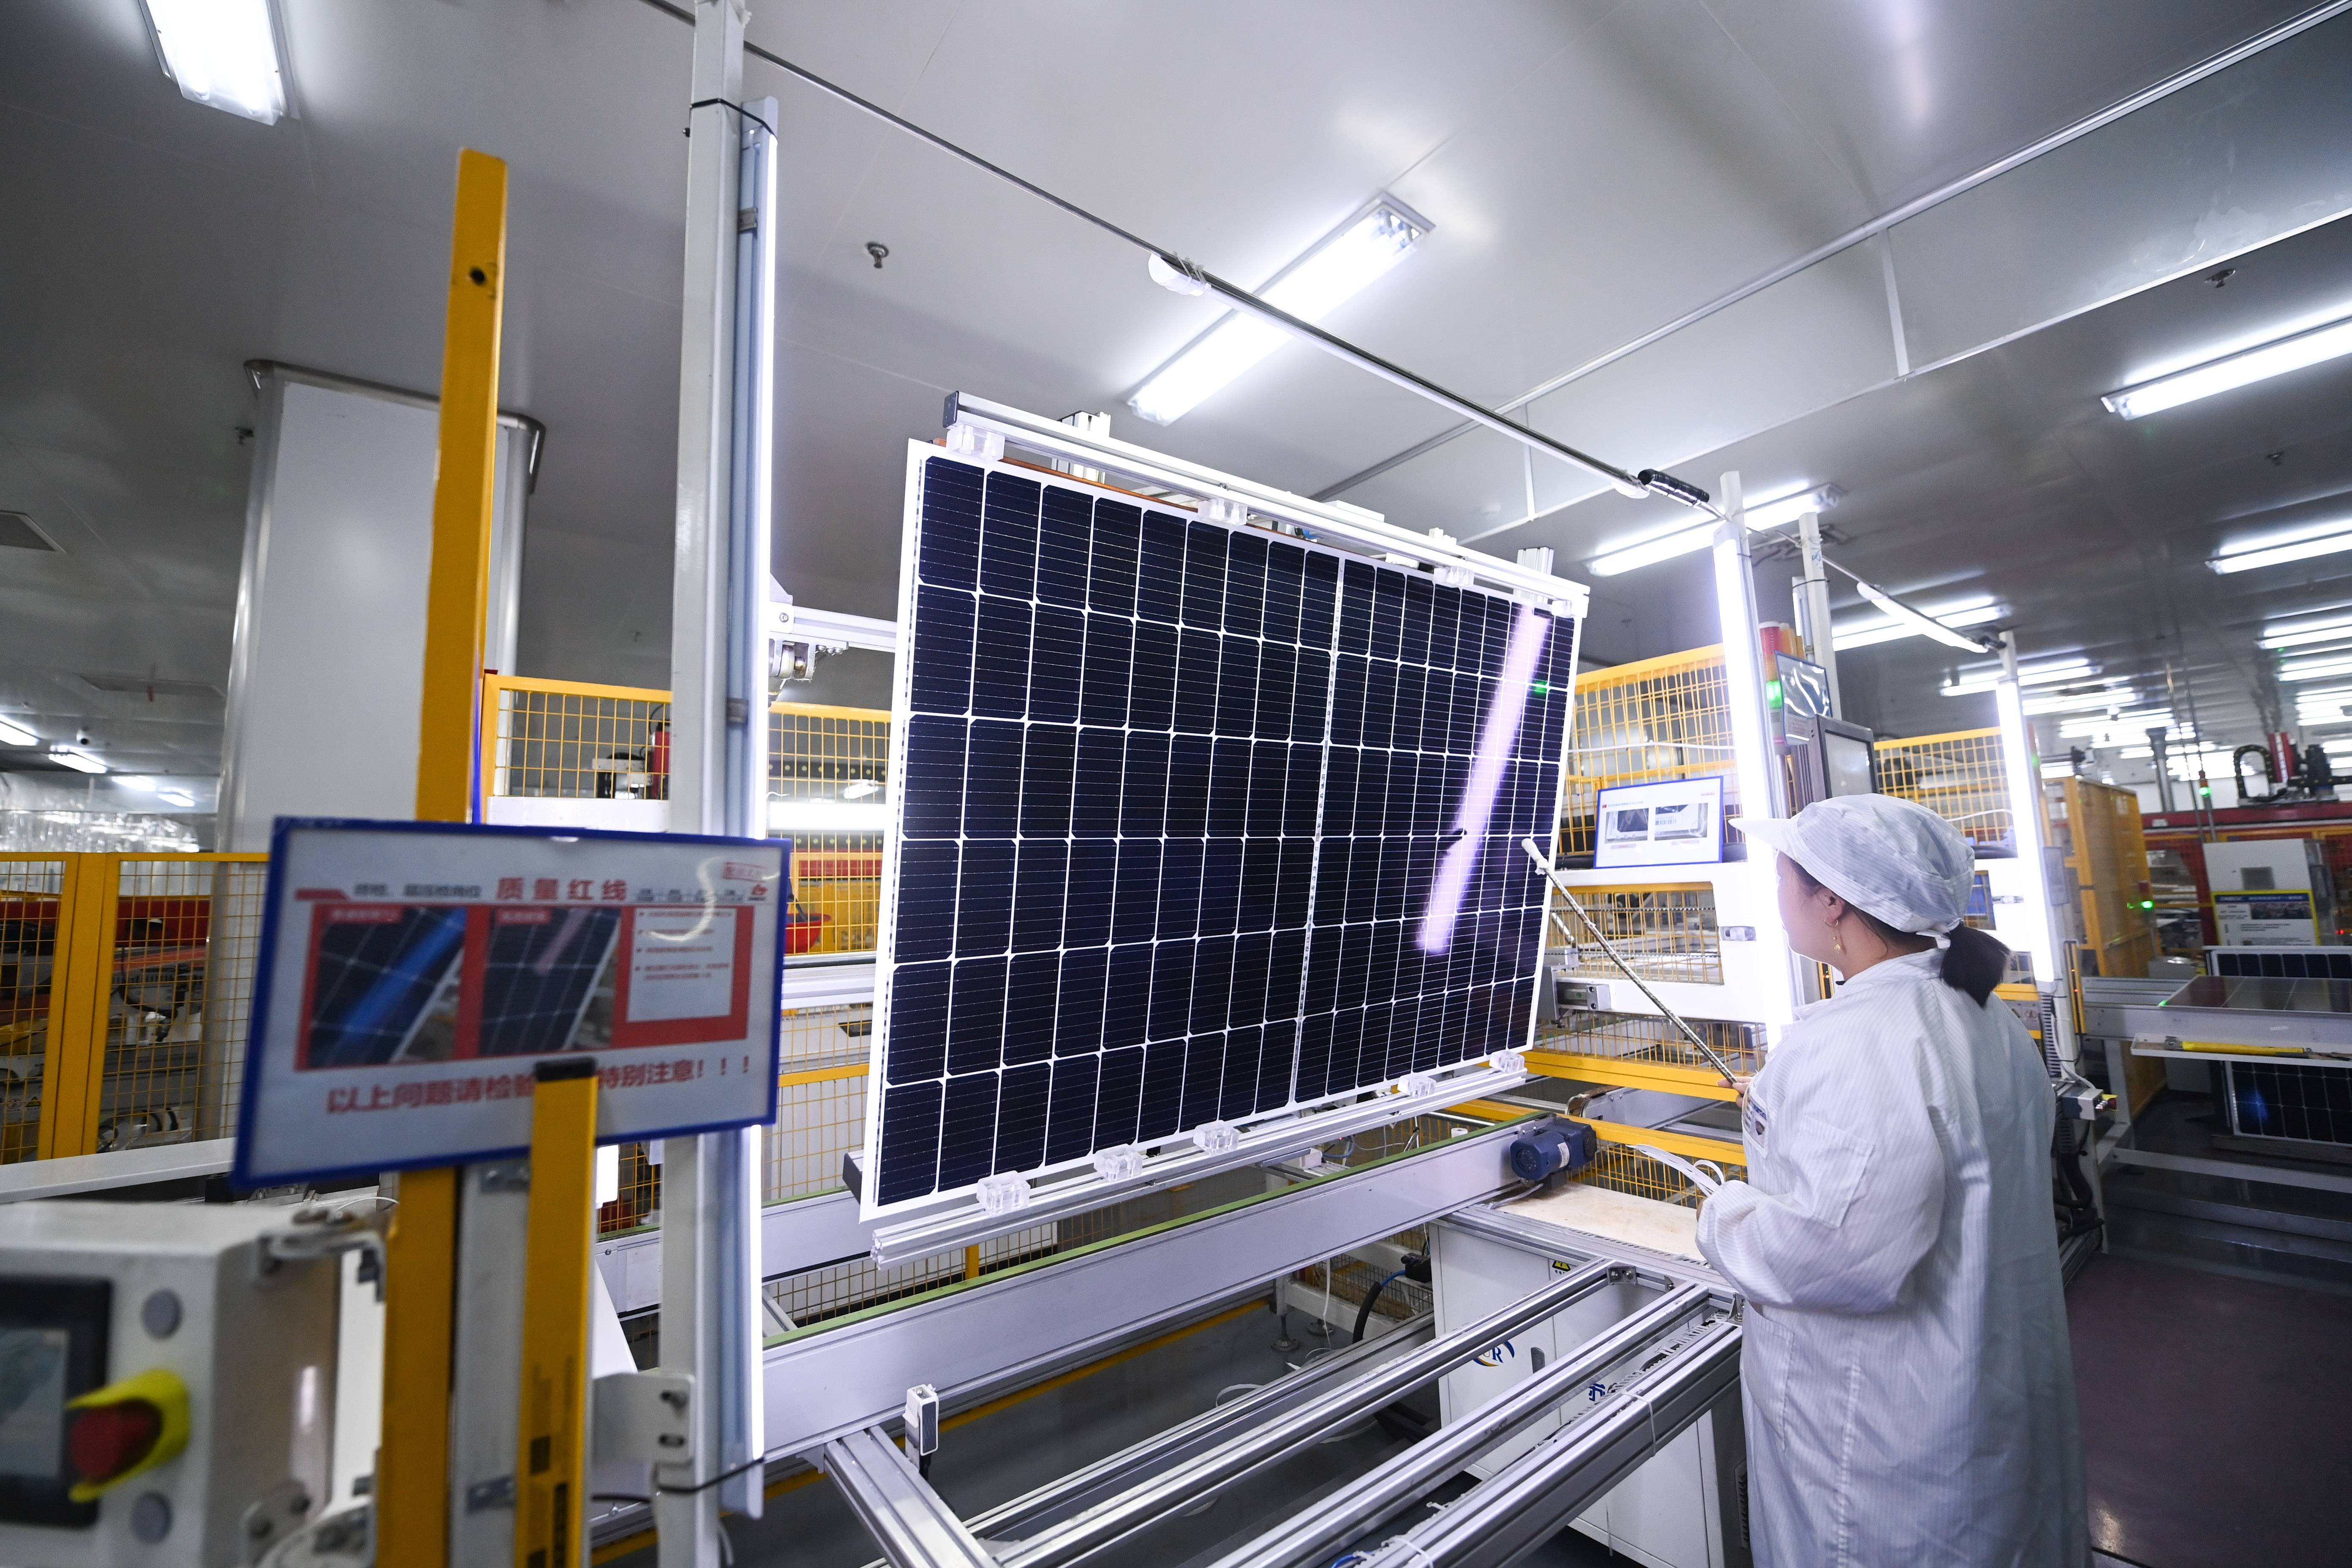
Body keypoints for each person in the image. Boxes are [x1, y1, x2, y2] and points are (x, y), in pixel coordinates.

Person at [1695, 794, 2088, 1568]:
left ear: (1832, 901)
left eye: (1783, 878)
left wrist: (1721, 1217)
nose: (1777, 897)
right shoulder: (1979, 1012)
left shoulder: (1857, 1041)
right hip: (1979, 1387)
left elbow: (1834, 1252)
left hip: (1885, 1440)